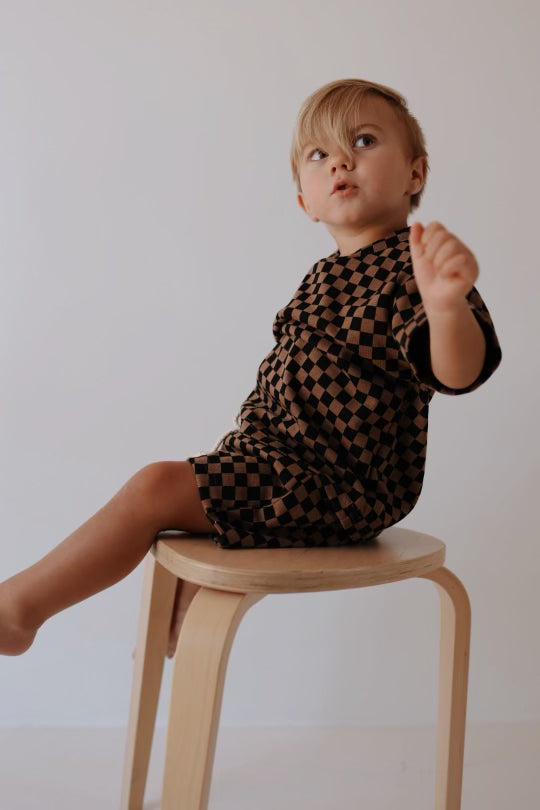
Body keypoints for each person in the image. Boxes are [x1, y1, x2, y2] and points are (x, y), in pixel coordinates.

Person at [0, 78, 502, 660]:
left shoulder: (414, 268)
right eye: (319, 155)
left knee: (154, 487)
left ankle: (17, 611)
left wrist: (446, 307)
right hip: (269, 458)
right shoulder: (322, 276)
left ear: (415, 174)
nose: (340, 160)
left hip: (340, 485)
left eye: (363, 141)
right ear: (303, 200)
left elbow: (458, 372)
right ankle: (182, 634)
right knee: (180, 498)